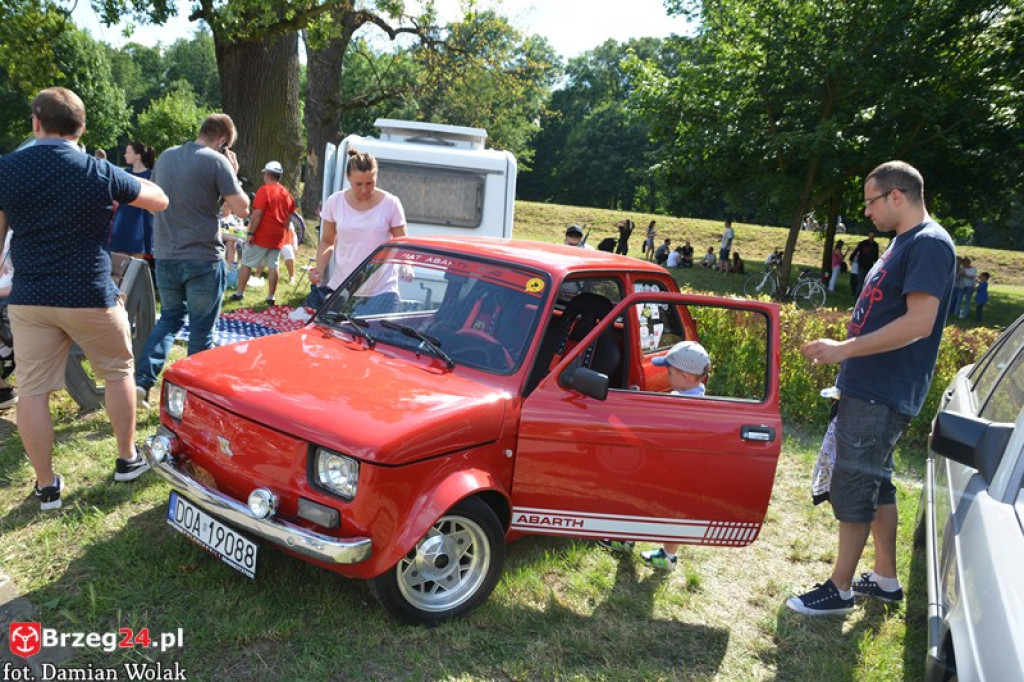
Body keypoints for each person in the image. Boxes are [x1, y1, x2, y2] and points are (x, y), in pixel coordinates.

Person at [790, 160, 955, 616]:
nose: (867, 211)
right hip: (870, 387)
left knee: (855, 484)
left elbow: (919, 323)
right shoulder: (904, 240)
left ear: (896, 196)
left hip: (882, 391)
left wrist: (845, 349)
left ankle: (839, 589)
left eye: (871, 201)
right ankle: (885, 579)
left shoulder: (928, 244)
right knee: (877, 484)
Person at [0, 87, 169, 510]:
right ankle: (126, 459)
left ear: (35, 123)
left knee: (32, 391)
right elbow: (159, 200)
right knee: (118, 372)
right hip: (90, 293)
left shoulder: (7, 169)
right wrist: (124, 183)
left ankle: (46, 487)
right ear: (82, 128)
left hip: (31, 296)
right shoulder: (98, 170)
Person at [135, 113, 250, 409]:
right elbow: (242, 209)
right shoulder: (217, 162)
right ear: (222, 140)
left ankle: (142, 381)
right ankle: (191, 398)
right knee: (201, 330)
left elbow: (153, 205)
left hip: (166, 255)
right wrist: (233, 173)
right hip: (203, 258)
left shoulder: (166, 157)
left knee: (169, 319)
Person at [598, 340, 712, 568]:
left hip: (668, 470)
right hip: (684, 472)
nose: (666, 377)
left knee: (641, 500)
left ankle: (627, 539)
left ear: (686, 376)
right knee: (675, 513)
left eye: (670, 372)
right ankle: (667, 555)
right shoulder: (702, 400)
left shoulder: (679, 404)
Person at [311, 147, 407, 292]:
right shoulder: (335, 202)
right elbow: (327, 241)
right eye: (358, 184)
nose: (364, 189)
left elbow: (402, 243)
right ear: (348, 177)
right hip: (343, 285)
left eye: (369, 183)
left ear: (376, 177)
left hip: (381, 288)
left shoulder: (391, 203)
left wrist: (406, 265)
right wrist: (319, 269)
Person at [228, 161, 296, 306]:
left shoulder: (264, 190)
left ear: (268, 175)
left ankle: (240, 293)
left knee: (246, 263)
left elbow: (257, 215)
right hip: (278, 236)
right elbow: (289, 217)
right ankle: (271, 296)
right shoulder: (287, 193)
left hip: (262, 235)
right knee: (273, 265)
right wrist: (283, 232)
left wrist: (251, 233)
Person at [108, 141, 156, 258]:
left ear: (138, 156)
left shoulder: (152, 175)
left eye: (128, 152)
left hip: (142, 223)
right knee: (118, 262)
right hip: (123, 220)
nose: (125, 155)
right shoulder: (124, 173)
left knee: (137, 265)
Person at [850, 232, 879, 299]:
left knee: (867, 281)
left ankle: (864, 296)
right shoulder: (863, 243)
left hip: (869, 265)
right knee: (860, 281)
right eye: (871, 236)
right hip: (862, 265)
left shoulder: (875, 245)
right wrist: (851, 258)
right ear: (869, 236)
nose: (871, 237)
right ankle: (857, 297)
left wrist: (876, 263)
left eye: (873, 236)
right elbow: (856, 250)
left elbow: (876, 255)